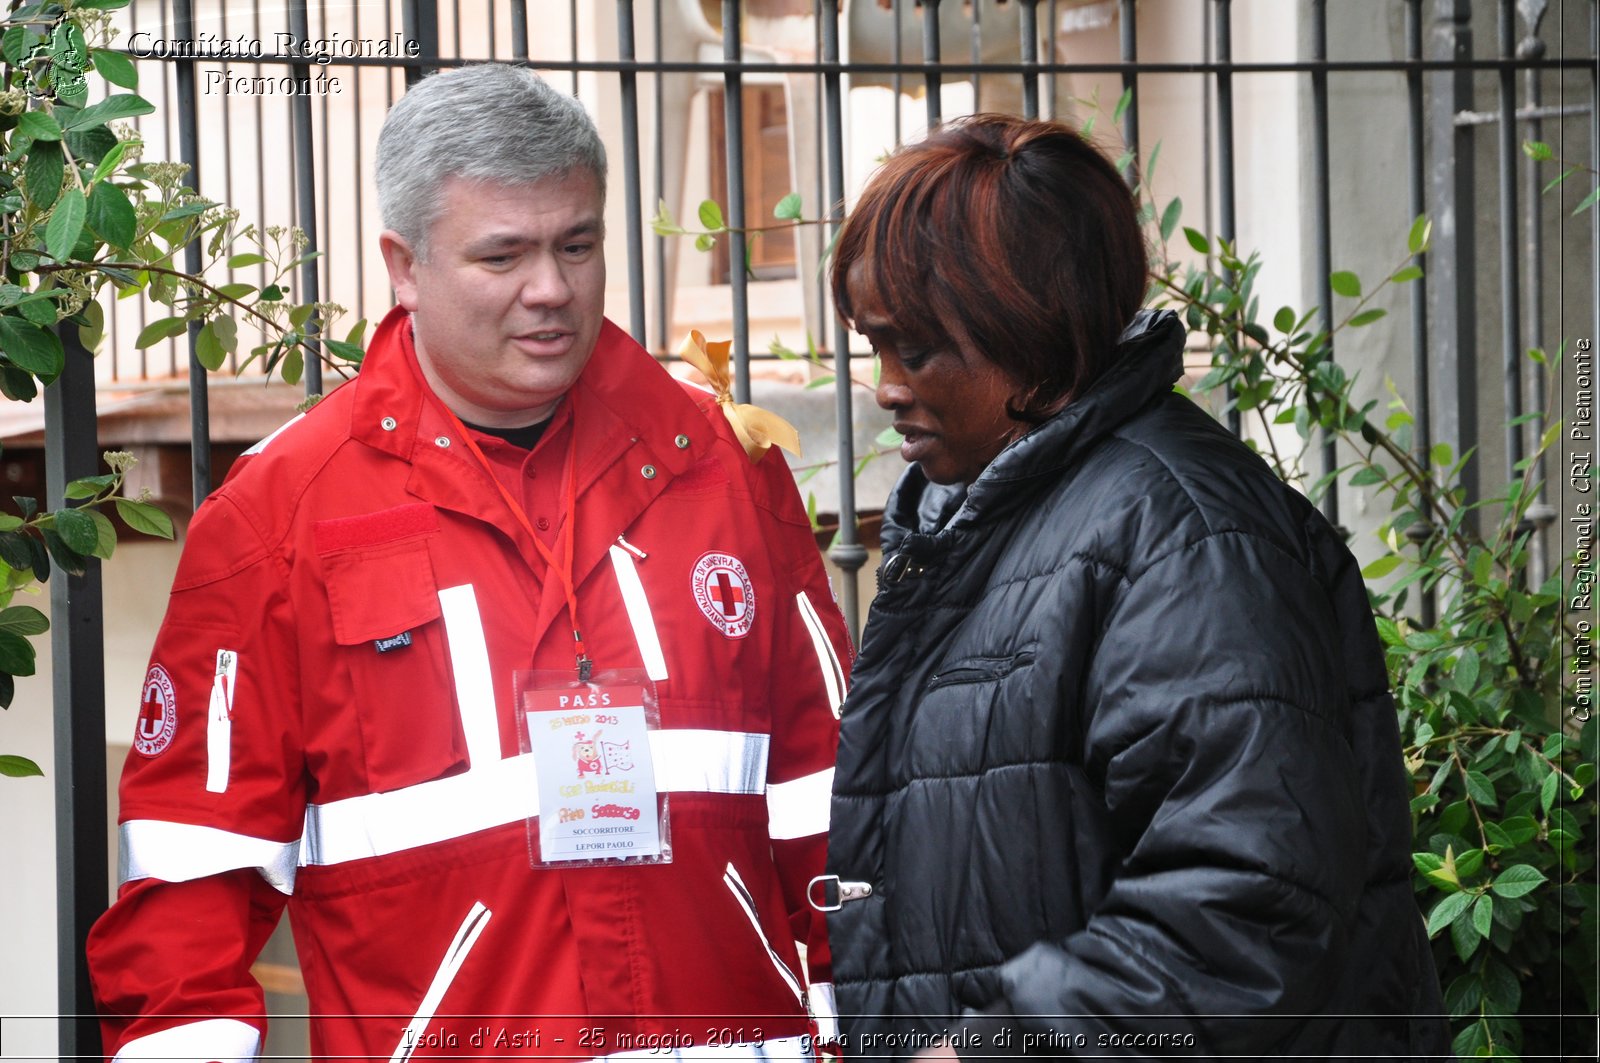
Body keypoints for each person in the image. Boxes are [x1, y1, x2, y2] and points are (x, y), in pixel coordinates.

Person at [87, 64, 850, 1063]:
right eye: (504, 255)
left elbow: (838, 804)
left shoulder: (721, 466)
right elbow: (190, 882)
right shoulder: (277, 521)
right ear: (402, 265)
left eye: (577, 245)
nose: (552, 289)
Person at [821, 114, 1450, 1059]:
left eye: (915, 348)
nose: (885, 387)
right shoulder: (1014, 515)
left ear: (1024, 326)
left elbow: (1250, 905)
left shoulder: (1181, 537)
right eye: (875, 348)